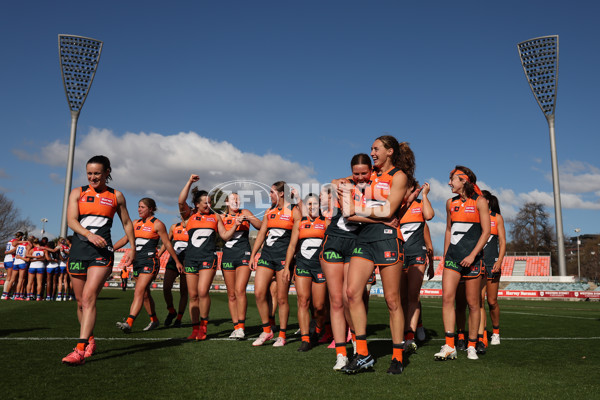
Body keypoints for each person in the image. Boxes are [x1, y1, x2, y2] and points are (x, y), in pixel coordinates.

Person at [340, 137, 415, 375]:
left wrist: (359, 209)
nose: (371, 152)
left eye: (376, 149)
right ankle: (362, 354)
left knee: (392, 301)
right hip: (364, 238)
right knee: (352, 293)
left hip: (387, 238)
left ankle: (397, 355)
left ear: (389, 152)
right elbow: (343, 200)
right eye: (372, 149)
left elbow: (390, 210)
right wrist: (366, 213)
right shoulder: (367, 173)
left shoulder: (399, 176)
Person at [61, 155, 136, 366]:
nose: (93, 177)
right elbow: (71, 221)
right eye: (90, 173)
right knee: (80, 302)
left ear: (107, 173)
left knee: (88, 297)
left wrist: (133, 249)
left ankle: (80, 349)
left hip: (102, 253)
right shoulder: (78, 192)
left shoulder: (116, 196)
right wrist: (88, 234)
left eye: (97, 173)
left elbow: (127, 223)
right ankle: (90, 340)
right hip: (79, 251)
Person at [320, 154, 372, 369]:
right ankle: (340, 353)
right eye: (356, 173)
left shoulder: (378, 186)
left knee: (350, 296)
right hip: (334, 241)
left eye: (364, 173)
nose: (359, 177)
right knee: (336, 300)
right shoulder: (342, 184)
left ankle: (357, 345)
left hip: (357, 244)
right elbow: (333, 183)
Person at [434, 166, 490, 362]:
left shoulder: (480, 202)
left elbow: (486, 232)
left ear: (464, 181)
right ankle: (449, 345)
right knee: (447, 298)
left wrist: (473, 255)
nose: (449, 183)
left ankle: (472, 345)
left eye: (453, 180)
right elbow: (449, 229)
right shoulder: (450, 203)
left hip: (473, 260)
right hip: (452, 258)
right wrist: (445, 254)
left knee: (473, 304)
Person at [178, 174, 239, 340]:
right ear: (197, 204)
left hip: (208, 258)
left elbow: (225, 236)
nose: (209, 205)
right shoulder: (189, 216)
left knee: (203, 291)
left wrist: (234, 225)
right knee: (193, 296)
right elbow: (180, 201)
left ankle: (203, 328)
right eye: (205, 202)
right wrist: (189, 181)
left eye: (210, 202)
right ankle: (195, 329)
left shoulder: (215, 217)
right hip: (190, 259)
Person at [115, 197, 183, 333]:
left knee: (139, 291)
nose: (139, 209)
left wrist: (176, 261)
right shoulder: (134, 223)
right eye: (139, 207)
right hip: (137, 261)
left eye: (142, 207)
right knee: (145, 294)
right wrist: (110, 249)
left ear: (151, 209)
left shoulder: (158, 224)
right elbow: (125, 239)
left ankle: (129, 322)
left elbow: (168, 244)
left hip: (150, 261)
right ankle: (154, 320)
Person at [250, 181, 296, 347]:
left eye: (271, 192)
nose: (269, 195)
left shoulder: (293, 210)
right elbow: (262, 234)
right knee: (259, 293)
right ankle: (267, 330)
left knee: (282, 298)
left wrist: (290, 263)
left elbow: (295, 239)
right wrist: (253, 255)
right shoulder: (269, 211)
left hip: (284, 258)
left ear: (281, 193)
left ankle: (282, 335)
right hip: (267, 256)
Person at [285, 193, 329, 351]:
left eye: (315, 204)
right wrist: (286, 267)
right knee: (303, 301)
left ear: (319, 206)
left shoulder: (326, 222)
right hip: (302, 264)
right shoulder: (300, 223)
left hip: (320, 267)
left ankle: (317, 330)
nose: (312, 207)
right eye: (309, 204)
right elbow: (291, 246)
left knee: (319, 306)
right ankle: (305, 339)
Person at [220, 193, 262, 340]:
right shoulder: (220, 217)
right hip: (227, 256)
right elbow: (224, 236)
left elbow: (261, 226)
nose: (236, 201)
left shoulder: (245, 212)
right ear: (226, 203)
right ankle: (236, 327)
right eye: (233, 199)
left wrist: (248, 218)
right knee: (231, 295)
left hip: (243, 254)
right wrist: (235, 224)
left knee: (240, 290)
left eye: (238, 199)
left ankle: (242, 328)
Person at [399, 181, 434, 352]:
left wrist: (425, 195)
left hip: (417, 255)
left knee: (413, 295)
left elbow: (429, 215)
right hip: (399, 256)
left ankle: (409, 336)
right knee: (402, 298)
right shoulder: (397, 206)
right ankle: (416, 324)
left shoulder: (420, 205)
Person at [480, 190, 505, 347]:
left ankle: (495, 332)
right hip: (478, 264)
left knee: (492, 301)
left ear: (488, 201)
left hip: (493, 263)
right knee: (478, 302)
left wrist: (500, 260)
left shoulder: (497, 218)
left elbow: (502, 241)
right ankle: (482, 334)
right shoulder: (475, 216)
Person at [158, 220, 189, 327]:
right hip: (174, 259)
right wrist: (158, 256)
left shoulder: (194, 226)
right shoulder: (174, 227)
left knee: (184, 291)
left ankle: (179, 319)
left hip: (188, 261)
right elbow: (166, 242)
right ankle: (171, 311)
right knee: (166, 287)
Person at [1, 231, 23, 300]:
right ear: (20, 237)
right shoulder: (16, 241)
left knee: (9, 277)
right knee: (9, 278)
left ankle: (7, 293)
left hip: (6, 260)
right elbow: (14, 249)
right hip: (10, 260)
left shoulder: (10, 241)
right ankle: (4, 294)